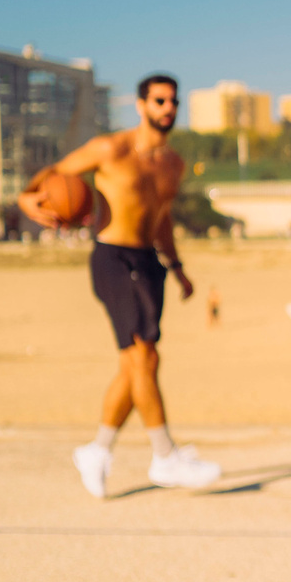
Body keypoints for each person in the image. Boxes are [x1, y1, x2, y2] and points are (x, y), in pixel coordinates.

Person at [28, 73, 222, 497]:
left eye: (173, 101)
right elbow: (53, 173)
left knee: (139, 365)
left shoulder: (173, 163)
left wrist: (177, 265)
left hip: (149, 261)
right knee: (143, 355)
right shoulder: (110, 148)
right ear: (140, 105)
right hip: (112, 258)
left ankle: (97, 451)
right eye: (158, 101)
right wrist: (28, 197)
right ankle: (165, 456)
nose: (167, 108)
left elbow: (162, 218)